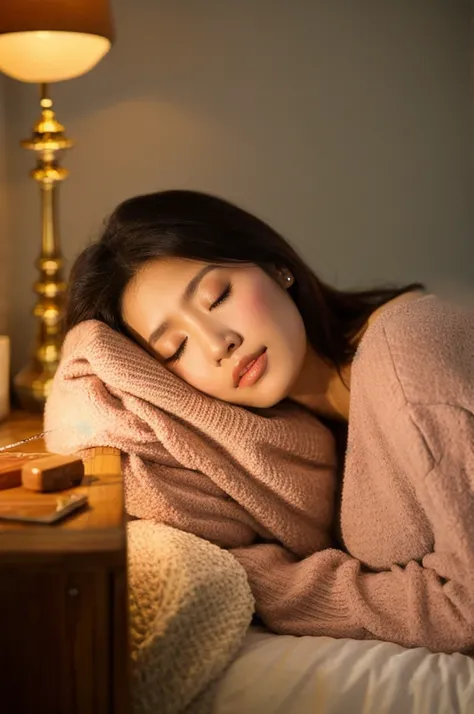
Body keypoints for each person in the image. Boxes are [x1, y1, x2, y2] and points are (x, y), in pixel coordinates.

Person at [63, 189, 474, 654]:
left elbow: (466, 606)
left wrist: (270, 583)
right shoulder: (299, 434)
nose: (218, 343)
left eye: (217, 296)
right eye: (175, 349)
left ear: (277, 266)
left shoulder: (407, 347)